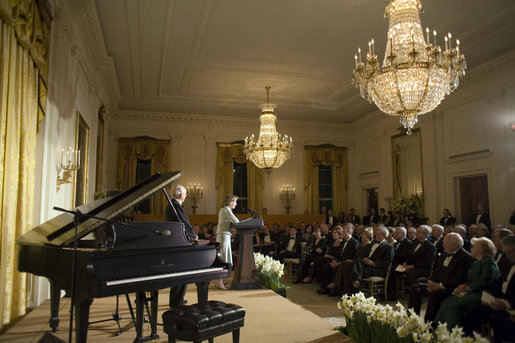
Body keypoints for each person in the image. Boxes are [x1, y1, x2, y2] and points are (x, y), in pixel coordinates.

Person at [434, 237, 500, 330]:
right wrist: (462, 286)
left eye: (474, 247)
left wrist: (468, 288)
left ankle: (453, 332)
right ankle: (439, 329)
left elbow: (486, 280)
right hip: (472, 291)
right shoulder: (477, 263)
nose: (471, 248)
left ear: (480, 250)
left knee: (452, 305)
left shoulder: (489, 262)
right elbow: (470, 279)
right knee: (447, 302)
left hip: (482, 294)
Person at [407, 233, 474, 322]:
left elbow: (460, 278)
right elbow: (435, 270)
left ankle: (430, 323)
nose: (443, 245)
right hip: (438, 284)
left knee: (435, 295)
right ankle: (412, 317)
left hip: (451, 288)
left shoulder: (465, 257)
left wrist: (440, 285)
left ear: (454, 245)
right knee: (416, 288)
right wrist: (431, 282)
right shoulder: (444, 254)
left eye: (445, 243)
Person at [165, 184, 198, 307]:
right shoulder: (176, 206)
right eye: (185, 194)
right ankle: (176, 302)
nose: (186, 195)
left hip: (175, 241)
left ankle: (177, 299)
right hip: (179, 243)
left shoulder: (171, 205)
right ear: (181, 195)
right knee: (181, 272)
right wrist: (193, 235)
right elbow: (183, 222)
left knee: (180, 273)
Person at [215, 194, 240, 289]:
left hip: (224, 235)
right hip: (223, 236)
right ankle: (219, 281)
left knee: (223, 257)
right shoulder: (226, 210)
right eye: (235, 202)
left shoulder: (224, 209)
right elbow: (236, 221)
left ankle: (218, 281)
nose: (236, 204)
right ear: (230, 202)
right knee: (223, 258)